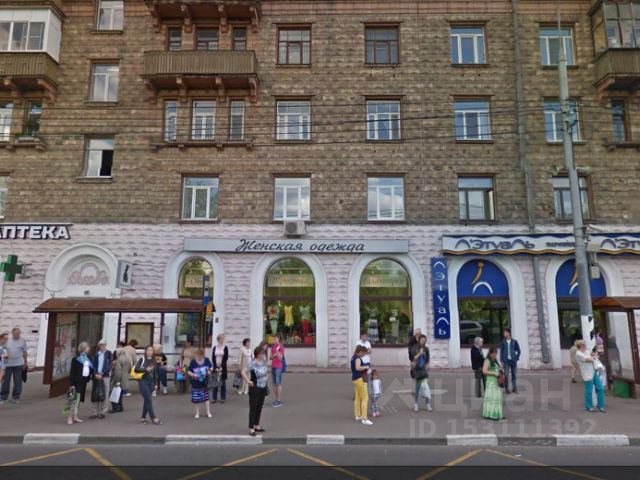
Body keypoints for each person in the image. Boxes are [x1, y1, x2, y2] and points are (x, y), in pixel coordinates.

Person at [241, 345, 269, 437]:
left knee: (259, 407)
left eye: (263, 353)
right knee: (253, 408)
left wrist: (266, 377)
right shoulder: (252, 363)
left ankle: (257, 425)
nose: (263, 355)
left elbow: (266, 371)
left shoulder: (264, 362)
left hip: (263, 387)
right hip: (255, 388)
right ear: (257, 354)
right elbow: (243, 372)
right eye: (262, 353)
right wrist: (248, 381)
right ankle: (251, 428)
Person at [134, 345, 162, 425]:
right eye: (148, 350)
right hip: (143, 381)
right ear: (145, 351)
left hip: (151, 382)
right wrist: (145, 369)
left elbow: (155, 373)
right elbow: (136, 369)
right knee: (148, 399)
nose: (150, 352)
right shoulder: (142, 359)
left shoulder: (154, 360)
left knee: (147, 400)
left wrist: (156, 384)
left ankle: (143, 417)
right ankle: (153, 417)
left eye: (151, 350)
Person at [575, 340, 605, 413]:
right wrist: (594, 357)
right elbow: (590, 359)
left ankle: (600, 405)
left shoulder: (586, 351)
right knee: (589, 391)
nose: (586, 346)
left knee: (600, 388)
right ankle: (589, 406)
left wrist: (594, 355)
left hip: (593, 372)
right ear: (581, 346)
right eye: (585, 345)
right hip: (587, 374)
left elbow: (592, 355)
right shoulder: (578, 354)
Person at [0, 327, 28, 404]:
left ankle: (16, 397)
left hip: (18, 364)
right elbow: (3, 350)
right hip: (7, 364)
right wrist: (3, 364)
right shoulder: (7, 340)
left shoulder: (22, 340)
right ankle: (3, 397)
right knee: (5, 382)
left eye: (18, 333)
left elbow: (24, 352)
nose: (17, 335)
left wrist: (25, 362)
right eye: (16, 333)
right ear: (12, 333)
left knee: (18, 381)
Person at [67, 342, 92, 425]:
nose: (89, 349)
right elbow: (72, 372)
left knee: (78, 400)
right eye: (87, 347)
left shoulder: (87, 358)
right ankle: (69, 417)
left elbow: (90, 368)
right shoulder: (76, 359)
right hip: (75, 382)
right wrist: (71, 384)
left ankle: (75, 416)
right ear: (83, 348)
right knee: (72, 400)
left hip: (83, 382)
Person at [90, 339, 113, 419]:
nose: (101, 346)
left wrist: (103, 372)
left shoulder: (109, 354)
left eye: (103, 345)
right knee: (95, 393)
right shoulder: (96, 354)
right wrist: (95, 373)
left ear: (105, 345)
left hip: (105, 376)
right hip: (97, 376)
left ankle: (103, 411)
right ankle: (95, 412)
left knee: (105, 393)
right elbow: (93, 365)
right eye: (100, 345)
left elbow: (110, 365)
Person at [351, 345, 373, 426]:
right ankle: (364, 419)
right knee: (365, 398)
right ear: (360, 352)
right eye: (364, 353)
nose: (364, 355)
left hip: (354, 379)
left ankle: (357, 415)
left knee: (358, 397)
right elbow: (358, 368)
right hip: (359, 379)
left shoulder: (353, 357)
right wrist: (365, 367)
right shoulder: (357, 358)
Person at [188, 348, 213, 419]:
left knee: (206, 397)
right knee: (196, 398)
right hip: (196, 382)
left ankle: (208, 412)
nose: (199, 357)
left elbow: (211, 368)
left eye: (201, 355)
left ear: (203, 355)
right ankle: (197, 413)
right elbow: (189, 371)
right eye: (198, 355)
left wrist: (209, 371)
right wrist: (193, 375)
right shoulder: (193, 362)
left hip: (205, 382)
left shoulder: (207, 360)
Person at [410, 334, 432, 412]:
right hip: (417, 370)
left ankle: (428, 405)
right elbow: (413, 358)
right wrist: (420, 353)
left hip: (423, 370)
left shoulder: (426, 349)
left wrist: (427, 365)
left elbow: (428, 359)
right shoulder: (415, 348)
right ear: (419, 340)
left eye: (424, 341)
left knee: (425, 387)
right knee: (417, 388)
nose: (423, 342)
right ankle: (416, 404)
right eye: (422, 340)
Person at [482, 347, 504, 421]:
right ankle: (491, 414)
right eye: (494, 354)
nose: (495, 355)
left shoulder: (495, 360)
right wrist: (493, 373)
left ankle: (497, 414)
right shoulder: (487, 360)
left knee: (497, 399)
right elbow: (484, 371)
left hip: (497, 381)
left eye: (496, 354)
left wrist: (500, 369)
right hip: (491, 382)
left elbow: (497, 368)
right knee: (492, 399)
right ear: (490, 353)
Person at [110, 345, 131, 413]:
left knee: (113, 393)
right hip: (125, 379)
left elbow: (117, 372)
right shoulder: (128, 359)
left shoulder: (118, 360)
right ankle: (120, 407)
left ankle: (115, 408)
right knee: (120, 394)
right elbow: (130, 369)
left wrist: (116, 381)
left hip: (119, 379)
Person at [499, 328, 521, 394]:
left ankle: (514, 388)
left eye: (505, 332)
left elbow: (519, 351)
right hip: (506, 361)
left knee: (514, 374)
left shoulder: (515, 341)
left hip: (513, 361)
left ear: (509, 333)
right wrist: (501, 361)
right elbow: (501, 352)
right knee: (506, 375)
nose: (504, 334)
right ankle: (507, 388)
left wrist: (516, 358)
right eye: (504, 333)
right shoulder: (503, 342)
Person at [211, 334, 229, 403]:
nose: (222, 340)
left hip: (223, 367)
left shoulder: (225, 347)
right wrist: (215, 367)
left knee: (222, 382)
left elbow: (225, 358)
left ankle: (222, 398)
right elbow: (213, 358)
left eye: (223, 338)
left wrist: (222, 367)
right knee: (215, 383)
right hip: (216, 367)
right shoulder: (214, 347)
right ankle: (214, 398)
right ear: (218, 339)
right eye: (221, 338)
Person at [270, 334, 285, 407]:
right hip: (273, 366)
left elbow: (280, 358)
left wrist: (277, 352)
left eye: (276, 338)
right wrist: (274, 354)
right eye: (274, 338)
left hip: (278, 367)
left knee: (278, 383)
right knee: (274, 383)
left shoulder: (281, 346)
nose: (274, 340)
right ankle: (276, 399)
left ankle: (279, 400)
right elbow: (270, 357)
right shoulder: (273, 346)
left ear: (278, 339)